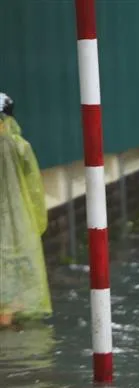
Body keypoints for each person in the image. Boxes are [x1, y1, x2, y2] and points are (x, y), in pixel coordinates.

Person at [0, 93, 52, 328]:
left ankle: (7, 314)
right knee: (14, 264)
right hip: (18, 219)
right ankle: (10, 311)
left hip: (10, 218)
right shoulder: (20, 146)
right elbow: (35, 189)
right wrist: (37, 221)